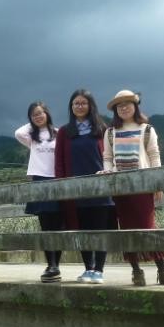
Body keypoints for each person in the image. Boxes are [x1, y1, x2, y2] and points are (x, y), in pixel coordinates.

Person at [103, 89, 164, 286]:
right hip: (120, 190)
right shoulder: (110, 132)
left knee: (149, 227)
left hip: (143, 187)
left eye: (127, 104)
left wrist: (157, 182)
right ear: (115, 110)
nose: (124, 108)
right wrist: (108, 171)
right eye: (119, 106)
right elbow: (108, 158)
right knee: (127, 230)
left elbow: (154, 155)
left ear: (135, 106)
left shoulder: (147, 129)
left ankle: (162, 270)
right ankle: (136, 271)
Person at [54, 89, 116, 284]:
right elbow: (59, 161)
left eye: (83, 103)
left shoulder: (102, 129)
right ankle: (88, 268)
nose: (79, 106)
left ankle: (99, 270)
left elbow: (109, 157)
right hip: (75, 190)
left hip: (101, 189)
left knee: (100, 230)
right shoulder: (64, 132)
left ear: (90, 106)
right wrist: (62, 184)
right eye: (75, 103)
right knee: (82, 230)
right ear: (71, 107)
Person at [15, 101, 63, 283]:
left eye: (41, 113)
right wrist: (33, 122)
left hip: (56, 180)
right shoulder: (31, 137)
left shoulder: (58, 133)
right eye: (34, 115)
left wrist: (46, 122)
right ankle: (50, 264)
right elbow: (18, 133)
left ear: (47, 113)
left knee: (57, 226)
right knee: (45, 226)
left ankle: (55, 265)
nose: (37, 117)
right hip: (39, 180)